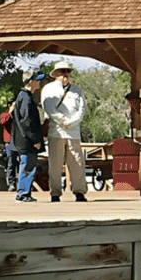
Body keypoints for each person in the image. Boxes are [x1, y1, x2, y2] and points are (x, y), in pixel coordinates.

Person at [41, 60, 87, 203]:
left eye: (68, 71)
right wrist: (63, 121)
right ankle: (55, 193)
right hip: (56, 132)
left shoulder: (77, 90)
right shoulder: (48, 89)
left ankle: (80, 192)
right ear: (56, 74)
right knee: (55, 165)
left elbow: (82, 110)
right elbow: (48, 108)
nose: (66, 74)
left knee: (77, 163)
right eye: (62, 72)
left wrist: (72, 122)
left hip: (74, 132)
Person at [10, 71, 45, 203]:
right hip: (27, 141)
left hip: (23, 140)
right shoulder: (26, 97)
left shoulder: (23, 96)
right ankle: (23, 194)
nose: (39, 82)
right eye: (37, 80)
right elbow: (27, 122)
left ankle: (24, 193)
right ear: (30, 82)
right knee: (28, 166)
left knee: (27, 166)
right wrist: (35, 140)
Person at [0, 106, 17, 191]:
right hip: (9, 142)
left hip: (19, 142)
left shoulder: (19, 115)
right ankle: (11, 183)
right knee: (11, 162)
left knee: (21, 163)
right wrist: (10, 112)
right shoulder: (4, 115)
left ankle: (20, 183)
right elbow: (3, 121)